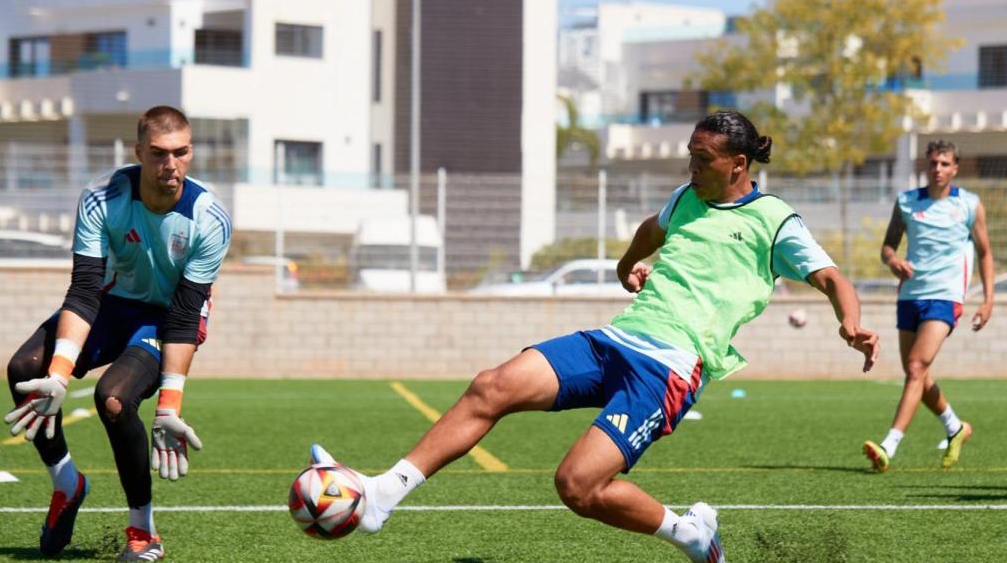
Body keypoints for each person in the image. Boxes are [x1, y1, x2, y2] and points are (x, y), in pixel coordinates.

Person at [313, 111, 879, 562]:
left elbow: (832, 277)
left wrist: (849, 321)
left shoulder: (774, 219)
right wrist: (628, 265)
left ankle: (690, 534)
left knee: (577, 485)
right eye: (689, 154)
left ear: (738, 164)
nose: (691, 167)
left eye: (702, 159)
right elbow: (652, 229)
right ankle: (384, 493)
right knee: (491, 386)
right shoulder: (686, 199)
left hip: (670, 368)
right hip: (616, 340)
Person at [3, 105, 231, 561]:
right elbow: (85, 290)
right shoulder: (101, 197)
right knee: (26, 369)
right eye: (159, 153)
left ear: (190, 151)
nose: (171, 164)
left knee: (113, 398)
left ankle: (144, 532)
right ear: (138, 152)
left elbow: (186, 315)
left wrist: (169, 406)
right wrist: (59, 374)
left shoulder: (210, 219)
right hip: (111, 304)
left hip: (166, 317)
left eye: (181, 152)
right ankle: (67, 484)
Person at [863, 140, 994, 473]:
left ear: (955, 168)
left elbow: (985, 253)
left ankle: (889, 445)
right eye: (933, 162)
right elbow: (888, 247)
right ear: (926, 165)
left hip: (946, 296)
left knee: (916, 366)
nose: (938, 169)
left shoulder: (969, 205)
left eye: (945, 163)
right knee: (917, 374)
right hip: (910, 296)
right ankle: (954, 427)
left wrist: (988, 299)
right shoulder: (907, 202)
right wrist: (893, 261)